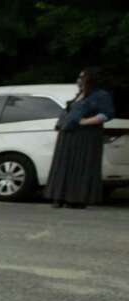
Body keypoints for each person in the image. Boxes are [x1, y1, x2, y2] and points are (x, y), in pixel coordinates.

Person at [45, 68, 116, 208]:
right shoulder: (79, 95)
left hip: (86, 137)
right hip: (68, 135)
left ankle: (77, 199)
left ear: (91, 79)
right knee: (64, 165)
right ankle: (59, 196)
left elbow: (106, 114)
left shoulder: (100, 95)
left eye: (82, 77)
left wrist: (84, 122)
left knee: (81, 166)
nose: (79, 80)